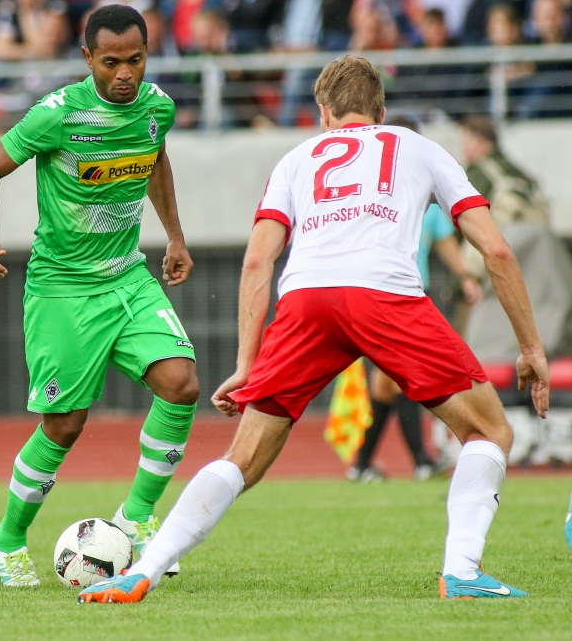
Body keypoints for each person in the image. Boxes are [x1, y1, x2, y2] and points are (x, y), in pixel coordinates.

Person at [79, 55, 550, 604]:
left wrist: (247, 364)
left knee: (243, 459)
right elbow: (496, 249)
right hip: (386, 295)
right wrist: (530, 347)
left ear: (323, 112)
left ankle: (143, 570)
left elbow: (258, 262)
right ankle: (463, 570)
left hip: (305, 300)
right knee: (489, 432)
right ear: (381, 112)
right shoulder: (418, 146)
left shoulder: (296, 159)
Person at [0, 4, 200, 587]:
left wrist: (174, 236)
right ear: (88, 58)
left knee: (181, 384)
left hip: (127, 277)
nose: (125, 73)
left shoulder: (157, 107)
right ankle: (6, 540)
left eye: (136, 60)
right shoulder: (58, 114)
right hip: (63, 289)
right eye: (111, 62)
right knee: (65, 425)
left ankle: (137, 516)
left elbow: (156, 160)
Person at [349, 115, 483, 483]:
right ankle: (419, 460)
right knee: (396, 379)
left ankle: (364, 464)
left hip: (411, 293)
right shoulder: (370, 189)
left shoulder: (420, 188)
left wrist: (466, 276)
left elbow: (441, 240)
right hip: (381, 293)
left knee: (389, 383)